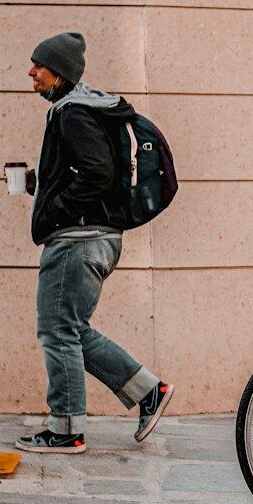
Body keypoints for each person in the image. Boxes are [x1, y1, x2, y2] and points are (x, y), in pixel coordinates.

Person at [20, 31, 173, 453]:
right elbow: (90, 173)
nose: (31, 72)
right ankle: (148, 392)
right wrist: (43, 185)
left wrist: (56, 210)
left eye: (39, 65)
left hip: (78, 239)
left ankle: (65, 428)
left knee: (57, 331)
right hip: (93, 236)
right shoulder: (83, 108)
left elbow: (97, 174)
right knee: (69, 329)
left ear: (61, 73)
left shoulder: (73, 114)